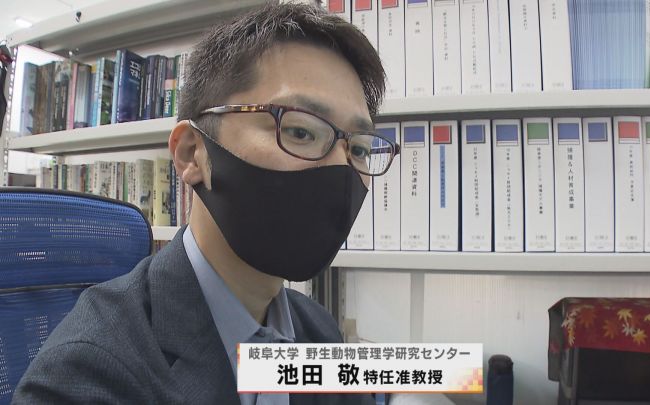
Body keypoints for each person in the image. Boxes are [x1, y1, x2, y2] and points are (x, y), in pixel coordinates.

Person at [12, 2, 398, 403]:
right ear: (192, 153)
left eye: (358, 149)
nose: (341, 168)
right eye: (300, 131)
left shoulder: (318, 331)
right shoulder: (87, 372)